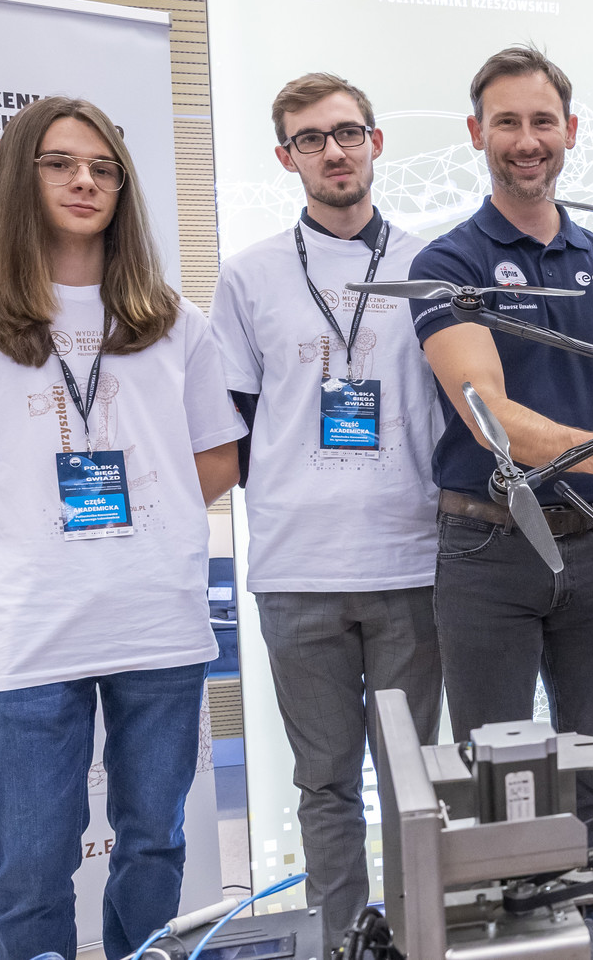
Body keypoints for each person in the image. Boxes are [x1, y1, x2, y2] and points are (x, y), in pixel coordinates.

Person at [0, 96, 244, 959]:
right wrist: (23, 551)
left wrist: (149, 533)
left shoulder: (175, 323)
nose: (84, 181)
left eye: (102, 168)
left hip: (160, 621)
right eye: (59, 163)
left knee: (155, 844)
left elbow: (217, 459)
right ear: (21, 177)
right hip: (35, 628)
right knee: (29, 866)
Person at [407, 46, 593, 825]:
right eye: (507, 123)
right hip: (487, 553)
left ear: (571, 131)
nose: (527, 141)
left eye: (543, 122)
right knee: (498, 786)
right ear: (476, 134)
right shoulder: (447, 261)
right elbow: (484, 410)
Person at [208, 73, 443, 941]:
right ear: (286, 158)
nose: (333, 152)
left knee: (415, 784)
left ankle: (416, 939)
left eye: (347, 133)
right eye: (310, 139)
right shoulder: (249, 275)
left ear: (376, 142)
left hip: (411, 559)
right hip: (296, 568)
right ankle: (343, 943)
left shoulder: (434, 266)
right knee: (325, 784)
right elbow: (230, 424)